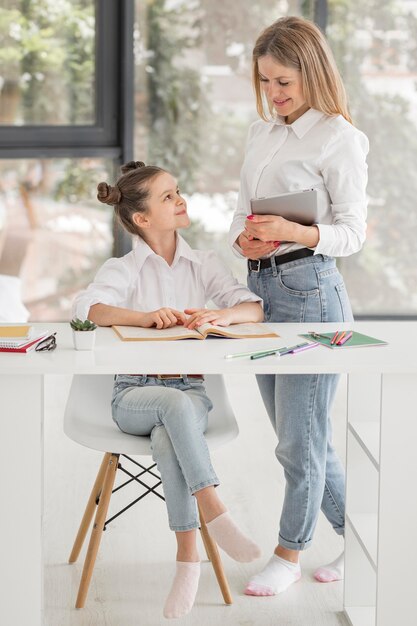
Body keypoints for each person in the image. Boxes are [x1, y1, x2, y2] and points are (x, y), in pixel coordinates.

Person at [73, 160, 263, 619]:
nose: (181, 199)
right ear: (141, 219)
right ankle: (215, 511)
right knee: (171, 410)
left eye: (178, 191)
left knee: (169, 430)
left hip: (190, 394)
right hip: (132, 396)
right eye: (168, 196)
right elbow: (86, 308)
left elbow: (252, 307)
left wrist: (221, 316)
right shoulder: (126, 268)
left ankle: (186, 565)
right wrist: (143, 317)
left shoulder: (204, 263)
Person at [228, 16, 369, 597]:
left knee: (299, 442)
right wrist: (245, 238)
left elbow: (353, 234)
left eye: (284, 80)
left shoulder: (338, 137)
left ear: (312, 72)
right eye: (265, 81)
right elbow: (240, 212)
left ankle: (289, 553)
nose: (275, 93)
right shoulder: (263, 134)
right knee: (301, 438)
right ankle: (365, 541)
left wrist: (294, 230)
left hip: (312, 294)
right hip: (261, 291)